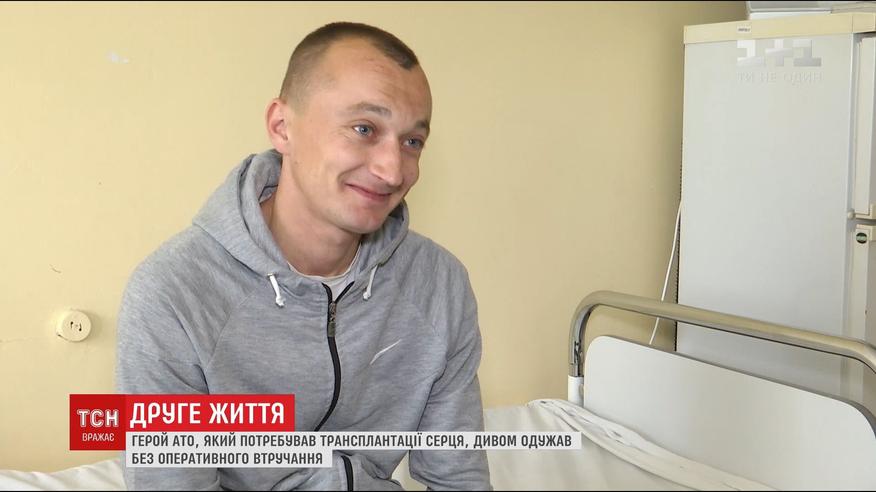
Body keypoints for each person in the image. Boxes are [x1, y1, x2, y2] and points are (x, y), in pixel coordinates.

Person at [115, 21, 491, 491]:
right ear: (282, 127)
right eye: (364, 129)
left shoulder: (439, 283)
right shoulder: (173, 293)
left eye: (412, 141)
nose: (393, 170)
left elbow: (458, 477)